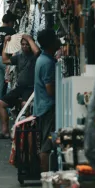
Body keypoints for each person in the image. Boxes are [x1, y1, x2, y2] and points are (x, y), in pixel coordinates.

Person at [0, 34, 38, 139]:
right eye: (23, 44)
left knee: (25, 105)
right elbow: (5, 60)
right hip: (19, 88)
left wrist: (30, 39)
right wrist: (5, 44)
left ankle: (26, 135)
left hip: (31, 89)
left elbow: (37, 51)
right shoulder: (19, 57)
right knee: (0, 103)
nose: (25, 46)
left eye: (27, 44)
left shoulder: (35, 56)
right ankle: (5, 131)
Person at [34, 27, 60, 173]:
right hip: (47, 107)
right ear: (51, 43)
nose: (58, 40)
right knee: (47, 145)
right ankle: (45, 177)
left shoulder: (43, 59)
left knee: (47, 142)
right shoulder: (47, 63)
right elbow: (50, 89)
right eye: (55, 38)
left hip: (42, 106)